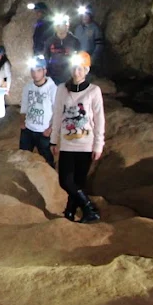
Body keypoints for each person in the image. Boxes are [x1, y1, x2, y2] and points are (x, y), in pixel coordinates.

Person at [51, 52, 105, 223]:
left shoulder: (94, 91)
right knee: (65, 181)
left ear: (86, 70)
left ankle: (70, 212)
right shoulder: (62, 89)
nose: (77, 71)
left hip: (85, 144)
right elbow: (57, 115)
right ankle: (89, 208)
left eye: (81, 68)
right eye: (74, 68)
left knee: (78, 182)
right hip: (67, 144)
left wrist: (98, 145)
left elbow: (99, 119)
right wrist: (54, 139)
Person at [19, 55, 58, 168]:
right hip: (28, 129)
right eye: (33, 71)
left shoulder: (52, 89)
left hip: (43, 131)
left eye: (38, 70)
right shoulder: (28, 87)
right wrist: (22, 122)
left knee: (47, 160)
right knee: (23, 158)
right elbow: (24, 105)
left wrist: (50, 129)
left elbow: (57, 110)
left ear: (44, 71)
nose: (35, 74)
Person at [45, 15, 82, 85]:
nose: (59, 27)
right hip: (53, 74)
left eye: (61, 25)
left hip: (69, 75)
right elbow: (46, 57)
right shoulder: (49, 41)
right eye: (57, 25)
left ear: (67, 26)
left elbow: (80, 56)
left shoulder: (74, 41)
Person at [74, 7, 106, 75]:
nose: (84, 17)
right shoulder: (78, 29)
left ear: (90, 16)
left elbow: (99, 45)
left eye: (87, 15)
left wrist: (93, 58)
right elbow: (74, 43)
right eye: (83, 15)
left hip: (90, 58)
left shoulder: (95, 29)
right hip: (79, 58)